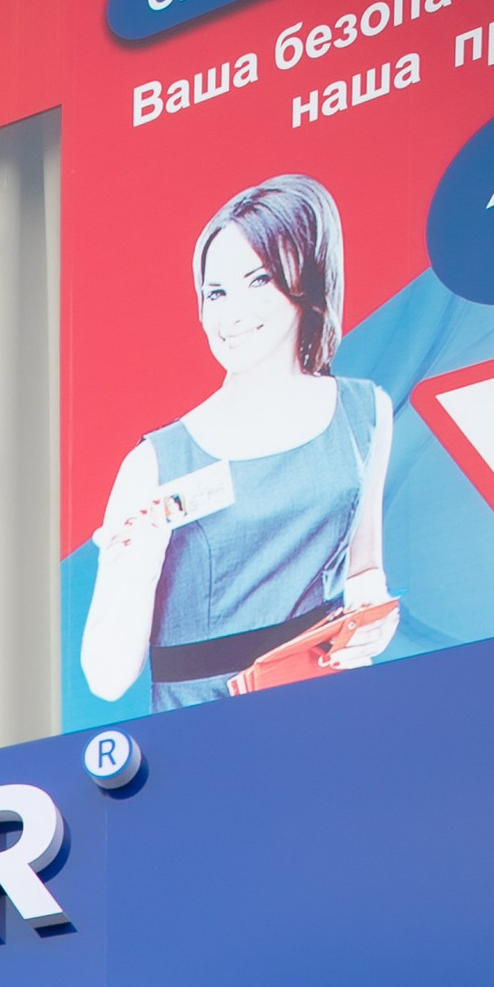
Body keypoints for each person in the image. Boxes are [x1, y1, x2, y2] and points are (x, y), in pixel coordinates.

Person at [82, 174, 394, 711]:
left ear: (307, 279)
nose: (232, 314)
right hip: (205, 729)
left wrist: (369, 625)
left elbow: (364, 570)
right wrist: (136, 567)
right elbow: (106, 678)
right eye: (216, 292)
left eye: (259, 280)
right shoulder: (154, 462)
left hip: (327, 708)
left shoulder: (365, 413)